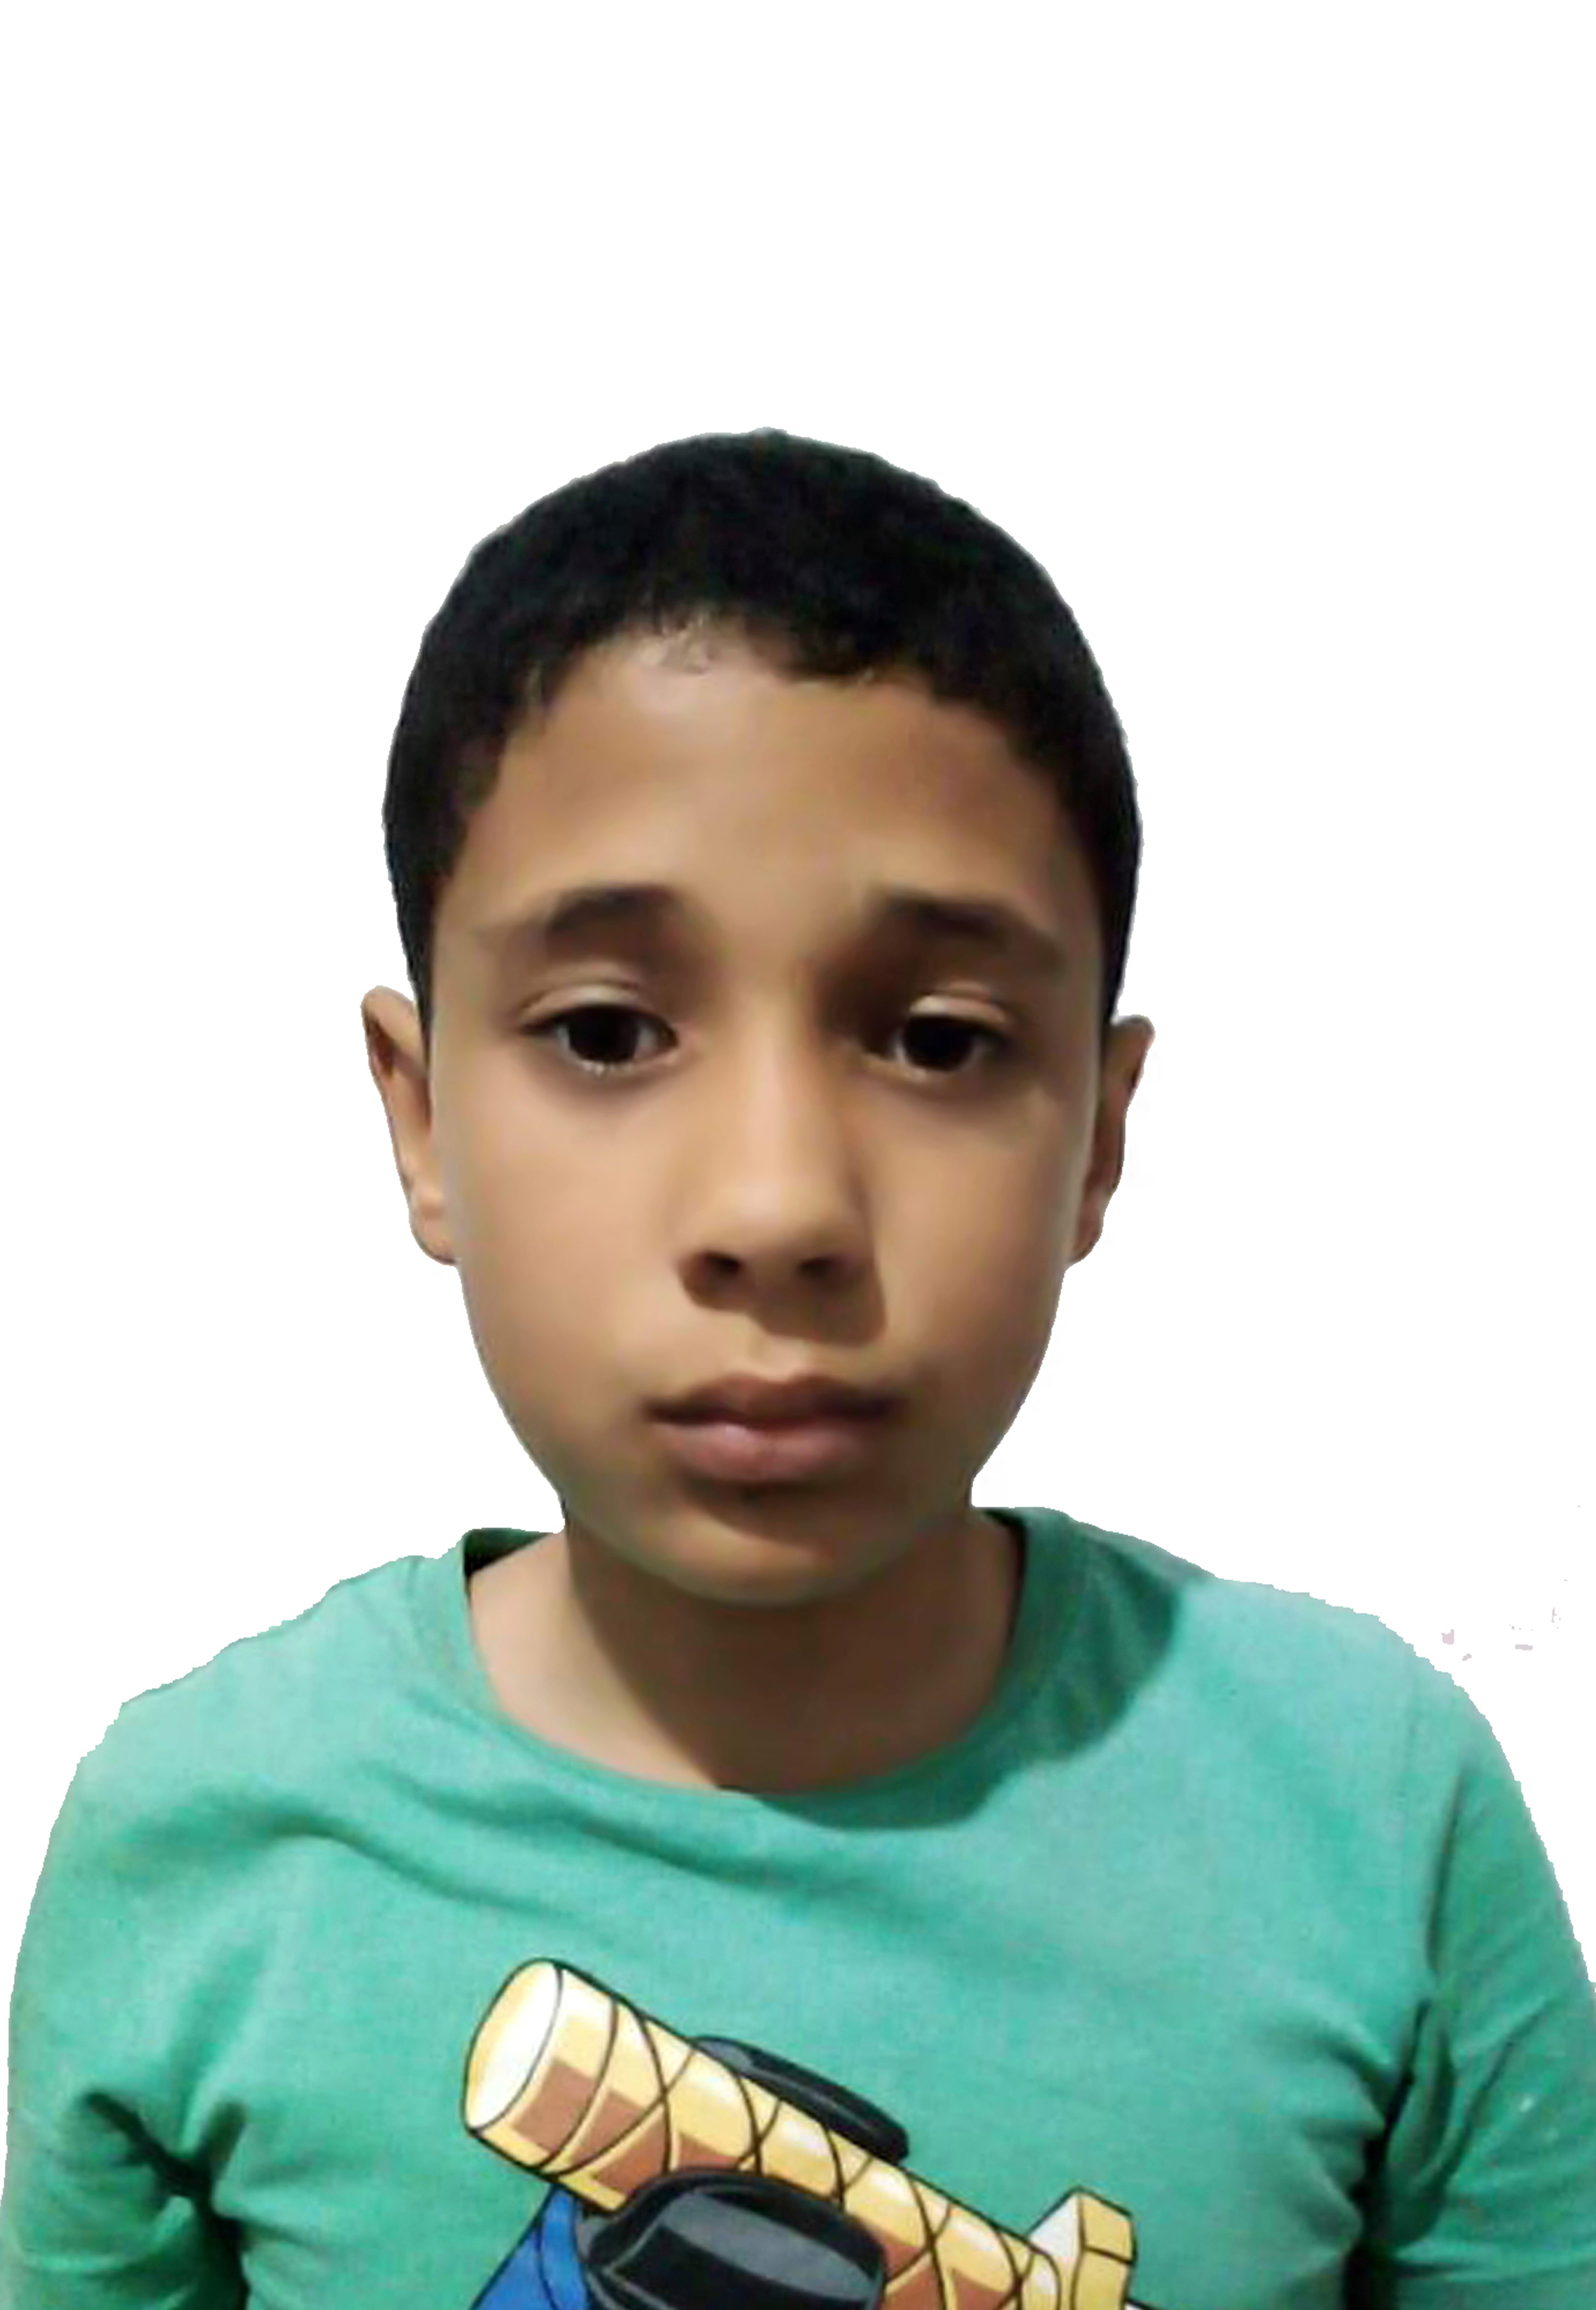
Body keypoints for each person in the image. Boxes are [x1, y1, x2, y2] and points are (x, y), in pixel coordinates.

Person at [3, 428, 1592, 2310]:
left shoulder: (1373, 1812)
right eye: (608, 1031)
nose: (776, 1205)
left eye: (938, 1040)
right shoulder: (193, 1850)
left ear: (1099, 1134)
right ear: (421, 1121)